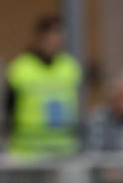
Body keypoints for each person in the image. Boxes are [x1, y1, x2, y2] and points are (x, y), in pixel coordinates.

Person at [5, 15, 82, 160]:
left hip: (65, 149)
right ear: (39, 38)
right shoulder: (20, 68)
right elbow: (8, 107)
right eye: (52, 36)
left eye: (59, 36)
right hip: (28, 150)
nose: (57, 41)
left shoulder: (70, 67)